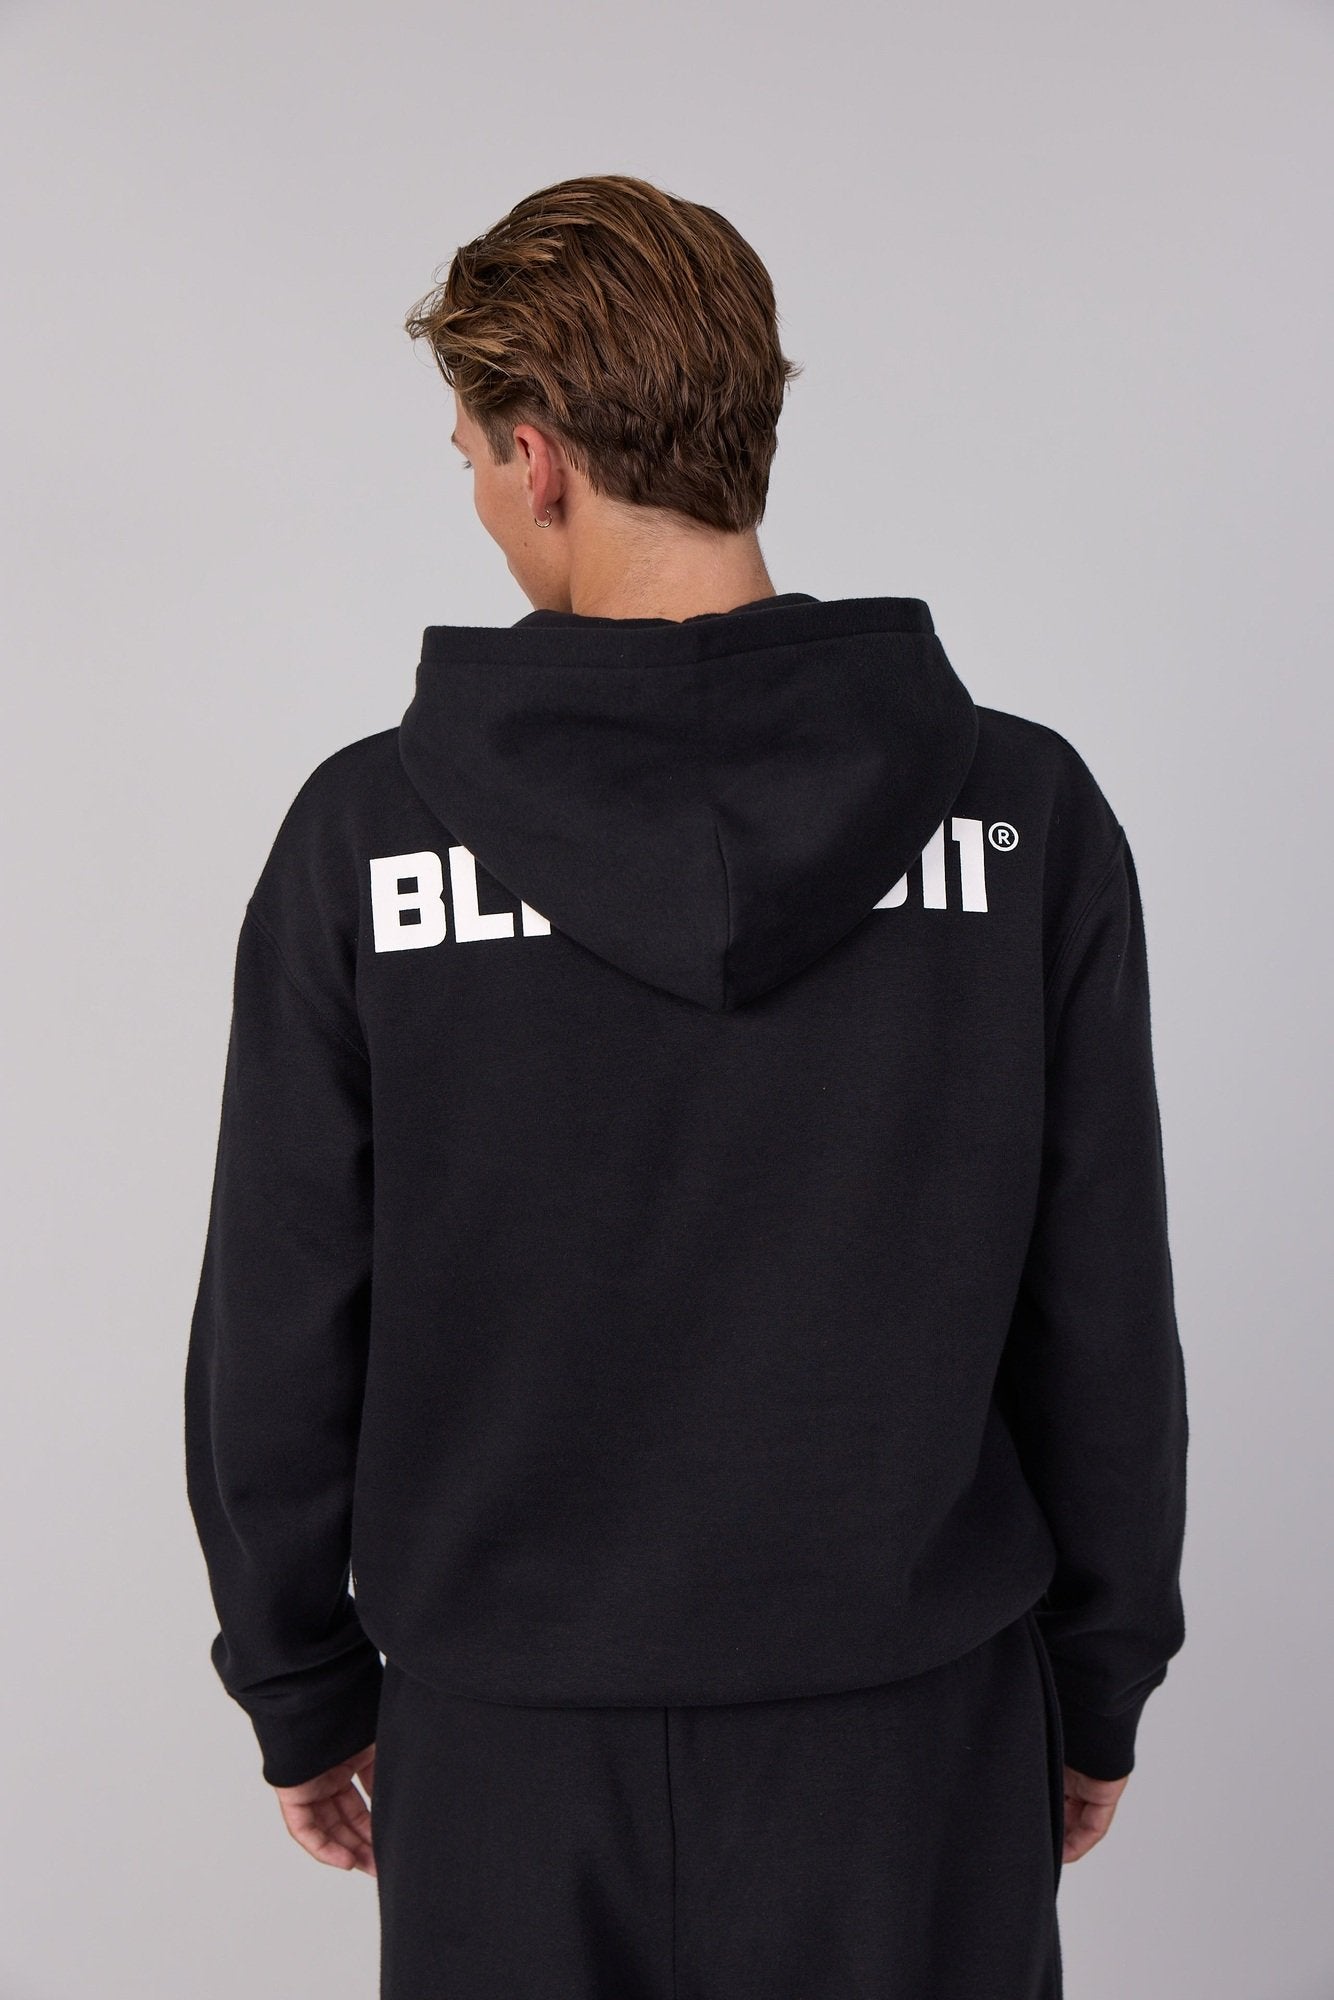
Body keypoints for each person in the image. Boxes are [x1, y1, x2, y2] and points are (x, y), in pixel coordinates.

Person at [183, 173, 1189, 1999]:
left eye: (471, 458)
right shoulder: (1020, 820)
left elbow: (281, 1308)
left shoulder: (366, 842)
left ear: (537, 456)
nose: (481, 500)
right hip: (915, 1736)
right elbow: (1100, 1298)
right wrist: (1098, 1676)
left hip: (508, 1755)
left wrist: (298, 1681)